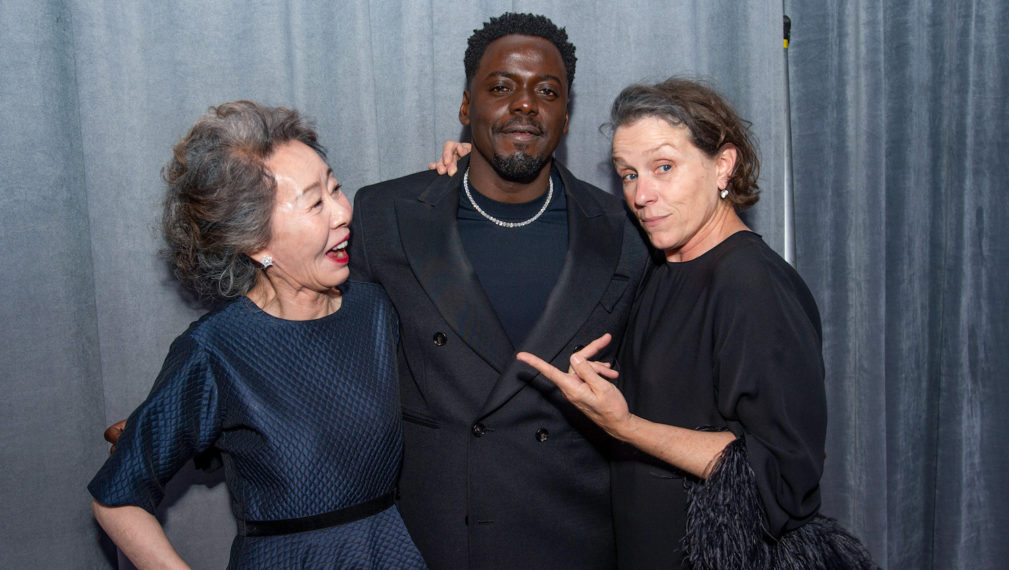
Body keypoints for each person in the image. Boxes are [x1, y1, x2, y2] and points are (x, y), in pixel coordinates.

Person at [517, 78, 876, 569]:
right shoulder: (664, 267)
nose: (642, 194)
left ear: (722, 164)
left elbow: (783, 473)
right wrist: (472, 167)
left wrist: (625, 425)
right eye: (628, 174)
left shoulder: (752, 283)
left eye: (664, 167)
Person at [348, 12, 648, 569]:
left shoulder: (626, 230)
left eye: (548, 91)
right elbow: (333, 362)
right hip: (431, 538)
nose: (526, 104)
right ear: (467, 107)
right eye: (502, 87)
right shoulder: (384, 215)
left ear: (565, 115)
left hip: (575, 539)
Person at [89, 101, 426, 569]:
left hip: (388, 556)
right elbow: (115, 498)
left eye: (336, 188)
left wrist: (469, 170)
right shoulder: (216, 349)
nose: (343, 213)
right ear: (255, 241)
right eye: (315, 202)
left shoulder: (375, 310)